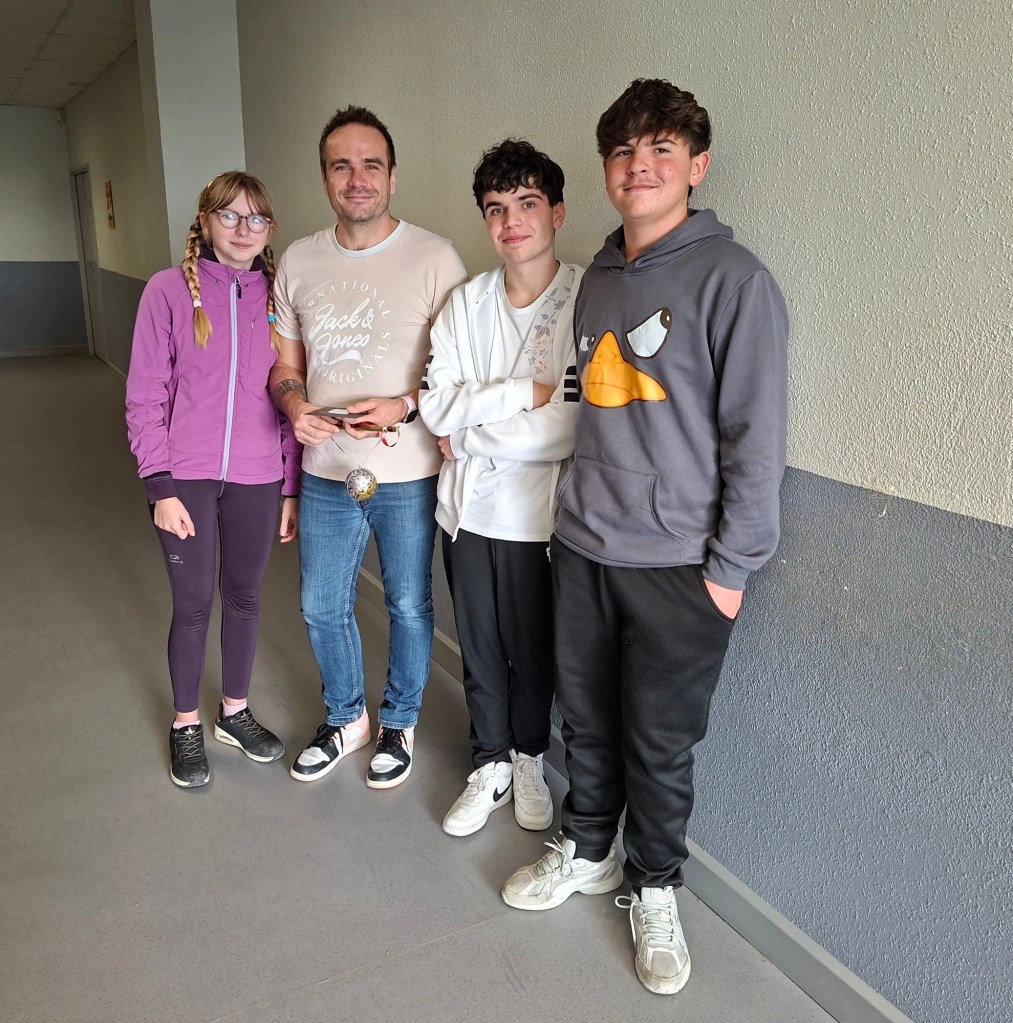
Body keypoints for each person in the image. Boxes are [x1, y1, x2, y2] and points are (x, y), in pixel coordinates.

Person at [500, 80, 789, 997]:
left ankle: (654, 884)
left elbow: (755, 439)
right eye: (623, 150)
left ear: (695, 167)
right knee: (584, 719)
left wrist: (729, 573)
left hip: (679, 568)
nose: (639, 165)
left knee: (658, 742)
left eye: (661, 149)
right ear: (606, 169)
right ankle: (588, 847)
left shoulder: (735, 281)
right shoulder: (598, 278)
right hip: (585, 547)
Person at [270, 106, 467, 790]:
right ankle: (346, 717)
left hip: (407, 472)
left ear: (392, 176)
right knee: (321, 605)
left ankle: (398, 722)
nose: (357, 178)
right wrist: (295, 405)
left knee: (408, 605)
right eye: (341, 166)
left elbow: (458, 370)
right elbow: (285, 365)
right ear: (324, 177)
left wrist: (404, 404)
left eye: (370, 165)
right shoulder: (298, 260)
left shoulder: (436, 258)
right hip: (326, 470)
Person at [419, 139, 580, 837]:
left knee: (532, 652)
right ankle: (487, 763)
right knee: (479, 649)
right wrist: (522, 391)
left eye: (527, 203)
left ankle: (529, 758)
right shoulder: (466, 304)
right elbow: (435, 407)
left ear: (556, 213)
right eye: (495, 208)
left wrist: (470, 436)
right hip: (464, 513)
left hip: (534, 520)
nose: (511, 221)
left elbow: (566, 427)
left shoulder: (582, 299)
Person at [126, 171, 301, 789]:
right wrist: (160, 486)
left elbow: (290, 394)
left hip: (258, 477)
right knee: (194, 601)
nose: (243, 229)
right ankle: (185, 723)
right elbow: (145, 396)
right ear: (204, 221)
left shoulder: (278, 298)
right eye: (229, 215)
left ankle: (234, 712)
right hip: (188, 477)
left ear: (269, 229)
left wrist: (289, 486)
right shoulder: (167, 291)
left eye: (257, 218)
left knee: (246, 596)